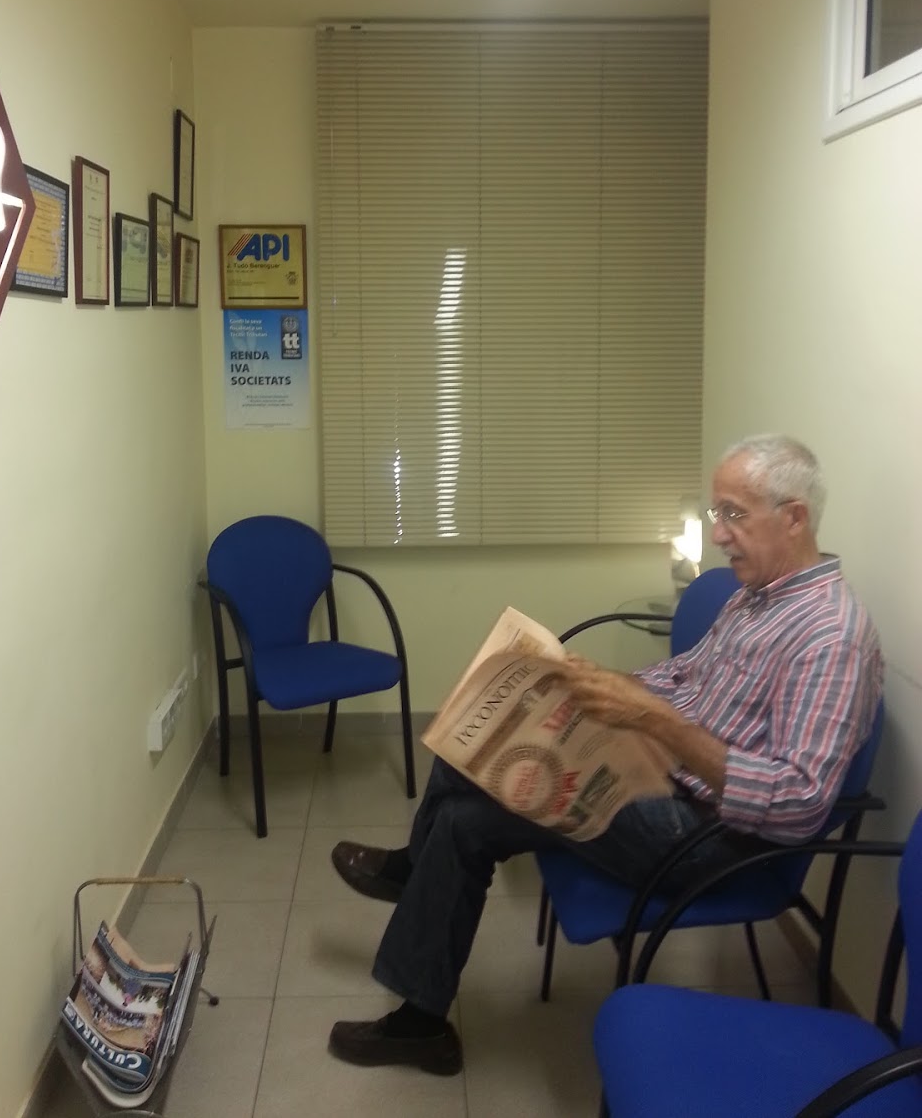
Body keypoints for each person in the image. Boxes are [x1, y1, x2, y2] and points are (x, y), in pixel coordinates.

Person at [326, 434, 884, 1075]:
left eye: (734, 514)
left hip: (706, 836)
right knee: (479, 754)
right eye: (717, 513)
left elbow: (798, 803)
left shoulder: (830, 636)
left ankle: (411, 882)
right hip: (658, 775)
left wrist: (652, 720)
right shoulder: (756, 597)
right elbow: (684, 677)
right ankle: (420, 1021)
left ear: (794, 517)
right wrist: (592, 685)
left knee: (481, 768)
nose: (719, 534)